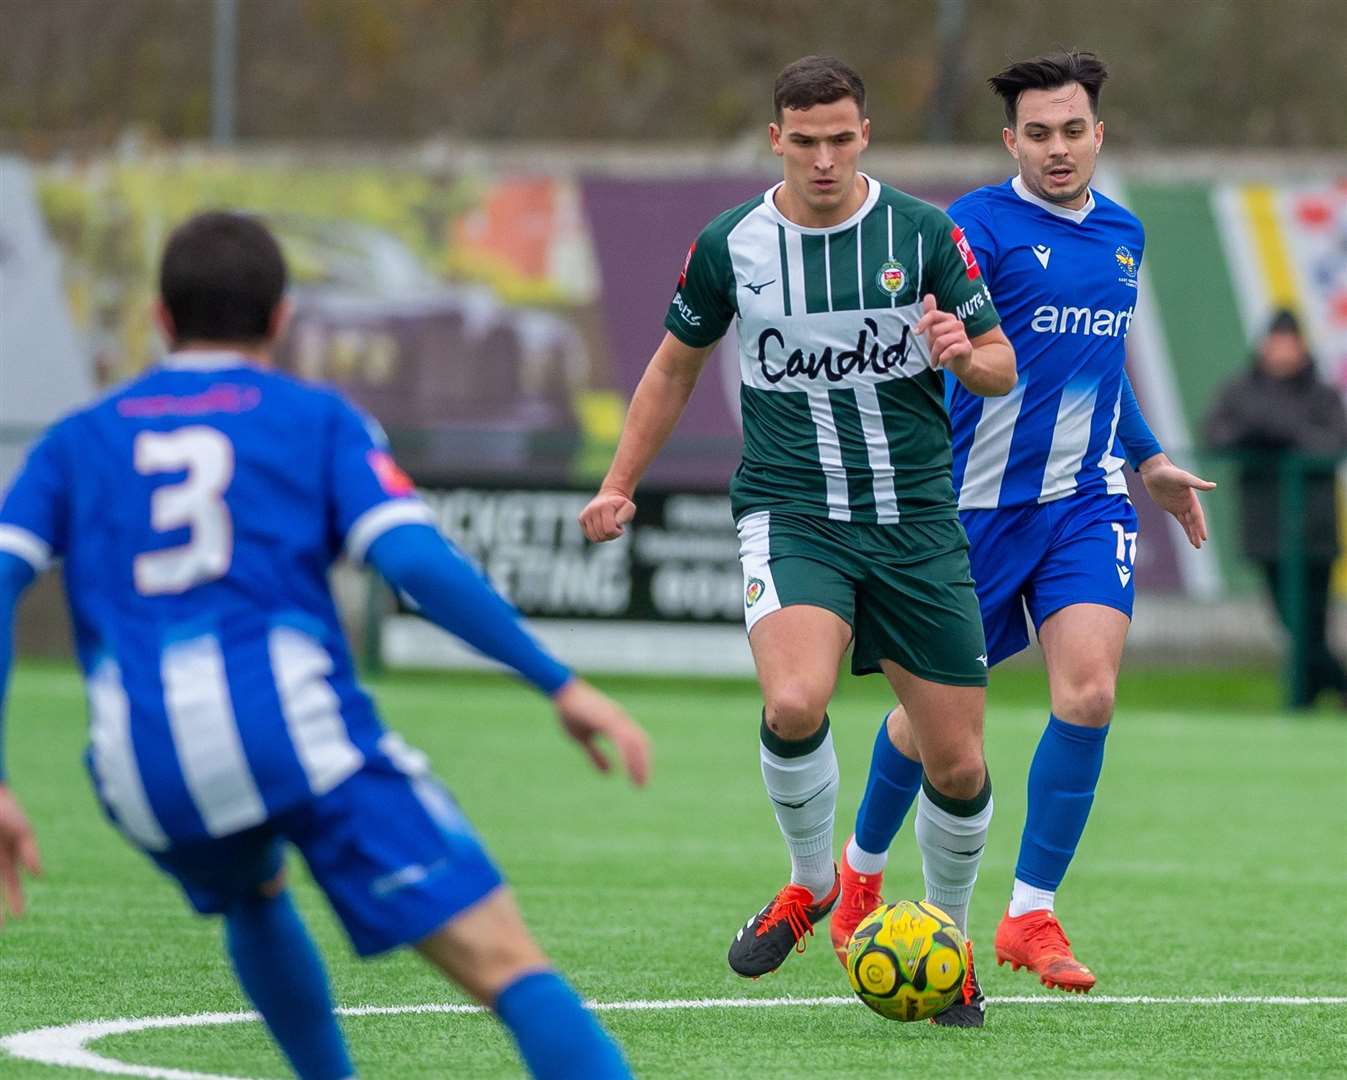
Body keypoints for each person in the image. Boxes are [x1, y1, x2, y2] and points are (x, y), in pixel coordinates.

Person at [0, 211, 650, 1080]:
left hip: (141, 764)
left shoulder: (77, 439)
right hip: (294, 734)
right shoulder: (314, 420)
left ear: (160, 318)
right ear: (281, 318)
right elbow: (412, 558)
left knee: (252, 891)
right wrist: (558, 683)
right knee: (505, 963)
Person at [579, 55, 1016, 1027]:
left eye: (841, 138)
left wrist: (964, 355)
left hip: (915, 521)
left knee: (958, 766)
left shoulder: (924, 233)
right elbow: (669, 373)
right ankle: (813, 884)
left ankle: (946, 943)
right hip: (791, 511)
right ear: (777, 138)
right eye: (804, 140)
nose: (824, 158)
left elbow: (1000, 365)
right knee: (792, 698)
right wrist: (617, 485)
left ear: (865, 134)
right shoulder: (731, 245)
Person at [833, 51, 1217, 995]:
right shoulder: (972, 227)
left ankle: (1028, 915)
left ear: (1098, 134)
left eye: (1071, 130)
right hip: (968, 511)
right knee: (928, 730)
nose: (1056, 148)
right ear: (1012, 141)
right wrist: (953, 352)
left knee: (1086, 693)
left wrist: (1149, 459)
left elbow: (1101, 368)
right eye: (1037, 133)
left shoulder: (1122, 234)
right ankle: (856, 876)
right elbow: (944, 346)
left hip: (1084, 503)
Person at [1205, 307, 1347, 708]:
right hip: (1267, 530)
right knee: (1293, 626)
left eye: (1290, 342)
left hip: (1314, 532)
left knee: (1310, 629)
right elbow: (1216, 433)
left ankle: (1303, 703)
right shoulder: (1240, 390)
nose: (1282, 351)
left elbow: (1332, 444)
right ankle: (1322, 694)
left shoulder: (1322, 395)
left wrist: (1280, 431)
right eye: (1276, 341)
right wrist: (1259, 432)